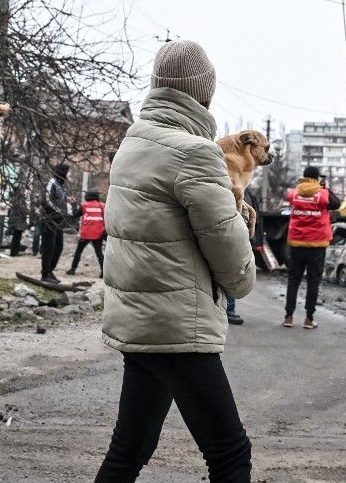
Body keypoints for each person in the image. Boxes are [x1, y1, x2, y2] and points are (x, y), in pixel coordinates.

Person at [97, 40, 256, 482]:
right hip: (179, 325)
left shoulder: (133, 143)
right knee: (230, 453)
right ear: (204, 92)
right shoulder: (196, 153)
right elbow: (228, 251)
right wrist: (242, 271)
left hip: (139, 319)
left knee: (129, 449)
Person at [283, 166, 341, 330]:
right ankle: (309, 319)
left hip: (297, 242)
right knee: (313, 280)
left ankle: (288, 317)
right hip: (317, 244)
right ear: (317, 178)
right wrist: (325, 187)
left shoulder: (294, 193)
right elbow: (336, 204)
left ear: (304, 176)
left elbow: (290, 197)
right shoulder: (323, 194)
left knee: (293, 279)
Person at [227, 188, 266, 326]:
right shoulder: (241, 192)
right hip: (235, 241)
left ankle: (228, 309)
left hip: (236, 240)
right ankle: (229, 310)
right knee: (231, 273)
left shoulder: (244, 192)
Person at [39, 163, 73, 283]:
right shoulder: (52, 183)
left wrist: (67, 200)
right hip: (50, 220)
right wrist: (59, 211)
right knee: (49, 248)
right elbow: (46, 200)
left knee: (59, 246)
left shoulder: (60, 185)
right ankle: (45, 274)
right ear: (63, 172)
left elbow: (57, 198)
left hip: (58, 222)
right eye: (68, 171)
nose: (70, 174)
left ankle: (50, 271)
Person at [67, 190, 105, 276]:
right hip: (98, 233)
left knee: (78, 251)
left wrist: (73, 204)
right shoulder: (102, 205)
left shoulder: (84, 205)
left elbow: (75, 215)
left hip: (85, 234)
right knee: (99, 253)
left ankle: (72, 269)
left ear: (87, 196)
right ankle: (103, 272)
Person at [7, 189, 29, 257]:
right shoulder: (20, 200)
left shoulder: (13, 199)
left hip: (14, 220)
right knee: (17, 237)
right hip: (18, 221)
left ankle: (14, 252)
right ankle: (14, 252)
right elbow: (23, 210)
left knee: (15, 237)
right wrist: (27, 212)